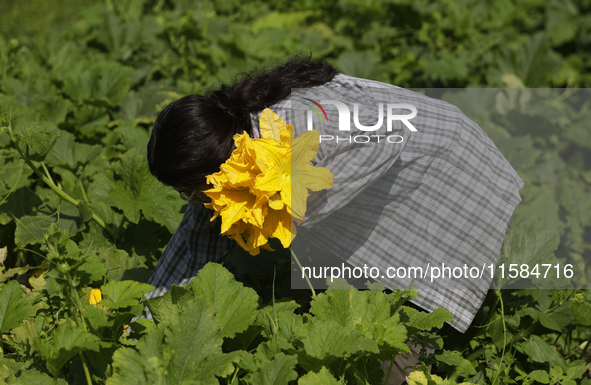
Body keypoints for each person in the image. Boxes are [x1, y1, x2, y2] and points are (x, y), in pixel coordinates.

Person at [145, 55, 524, 382]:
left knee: (401, 334)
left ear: (211, 164)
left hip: (449, 168)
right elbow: (196, 238)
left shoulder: (296, 122)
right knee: (361, 312)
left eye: (188, 189)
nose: (190, 199)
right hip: (402, 177)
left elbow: (389, 129)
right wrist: (144, 325)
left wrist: (298, 206)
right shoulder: (229, 158)